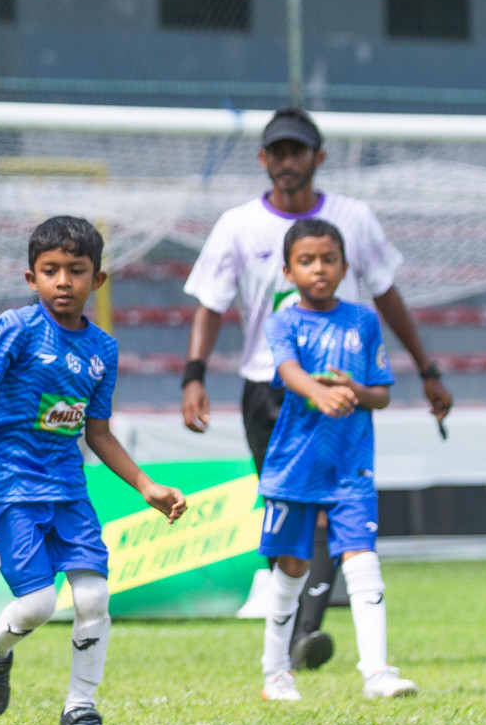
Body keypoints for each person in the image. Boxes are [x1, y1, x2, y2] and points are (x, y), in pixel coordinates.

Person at [181, 107, 452, 671]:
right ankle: (290, 637)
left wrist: (426, 369)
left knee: (332, 516)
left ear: (317, 157)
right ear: (263, 160)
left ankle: (307, 635)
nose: (287, 161)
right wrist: (194, 374)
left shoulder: (353, 219)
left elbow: (386, 295)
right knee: (292, 518)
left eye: (297, 151)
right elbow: (210, 305)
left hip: (341, 388)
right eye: (277, 152)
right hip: (269, 389)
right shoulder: (237, 225)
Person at [0, 216, 187, 725]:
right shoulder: (16, 328)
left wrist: (146, 486)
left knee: (94, 597)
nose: (62, 281)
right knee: (38, 605)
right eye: (50, 271)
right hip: (10, 488)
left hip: (69, 490)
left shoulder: (104, 350)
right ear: (32, 279)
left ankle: (81, 709)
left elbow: (97, 433)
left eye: (76, 271)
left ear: (96, 281)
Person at [255, 219, 416, 703]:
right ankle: (275, 672)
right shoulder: (283, 320)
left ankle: (377, 673)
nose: (319, 269)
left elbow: (382, 395)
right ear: (288, 270)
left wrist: (355, 390)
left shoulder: (364, 321)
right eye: (307, 261)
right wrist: (319, 393)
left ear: (345, 266)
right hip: (295, 465)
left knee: (362, 557)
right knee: (293, 565)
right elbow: (287, 371)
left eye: (329, 259)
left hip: (351, 465)